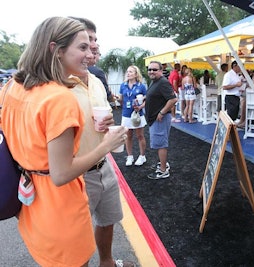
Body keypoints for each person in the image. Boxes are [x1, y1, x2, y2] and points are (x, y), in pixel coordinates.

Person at [0, 17, 127, 267]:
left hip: (31, 199)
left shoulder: (12, 88)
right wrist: (107, 145)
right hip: (60, 204)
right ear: (56, 50)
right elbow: (61, 173)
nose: (89, 53)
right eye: (82, 47)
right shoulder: (59, 98)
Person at [69, 17, 134, 267]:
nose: (93, 46)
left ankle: (106, 262)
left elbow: (103, 112)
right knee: (78, 234)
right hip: (77, 175)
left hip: (104, 166)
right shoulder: (57, 86)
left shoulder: (95, 79)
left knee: (108, 220)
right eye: (85, 42)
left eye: (94, 40)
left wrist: (105, 122)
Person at [145, 61, 178, 179]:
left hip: (160, 119)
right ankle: (163, 164)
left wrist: (162, 112)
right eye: (149, 69)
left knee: (161, 144)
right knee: (159, 143)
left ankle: (163, 170)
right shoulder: (154, 82)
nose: (151, 72)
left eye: (154, 69)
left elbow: (173, 99)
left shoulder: (163, 82)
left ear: (160, 71)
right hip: (155, 118)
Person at [118, 65, 147, 167]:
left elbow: (146, 100)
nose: (128, 73)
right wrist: (117, 99)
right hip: (126, 114)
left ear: (136, 74)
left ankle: (142, 156)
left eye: (130, 72)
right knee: (128, 136)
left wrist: (140, 107)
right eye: (127, 71)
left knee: (140, 136)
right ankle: (130, 156)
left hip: (138, 114)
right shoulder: (123, 85)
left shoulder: (141, 86)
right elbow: (121, 99)